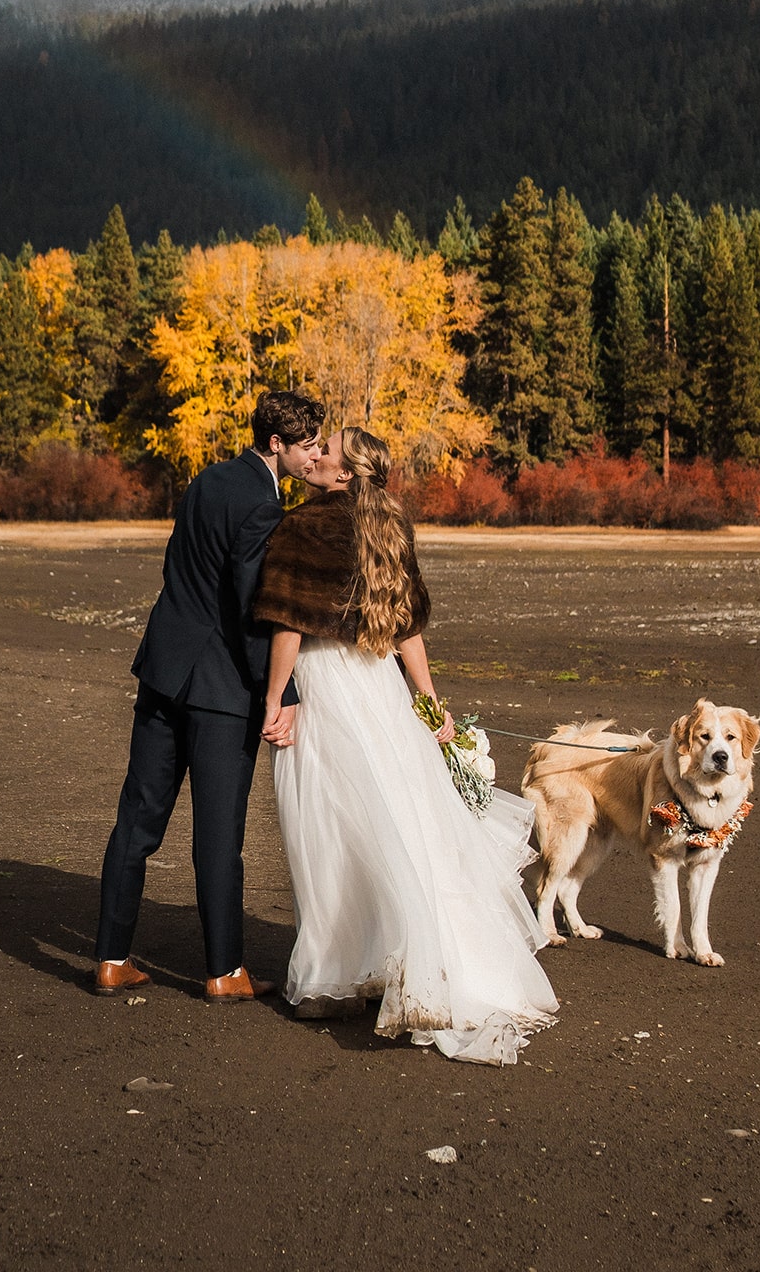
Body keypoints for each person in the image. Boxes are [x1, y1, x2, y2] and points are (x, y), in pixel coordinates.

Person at [254, 426, 558, 1063]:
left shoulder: (302, 528)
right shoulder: (389, 524)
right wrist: (425, 701)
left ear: (341, 474)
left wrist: (277, 697)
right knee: (403, 818)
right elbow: (407, 629)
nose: (313, 455)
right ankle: (401, 957)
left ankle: (337, 969)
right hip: (379, 688)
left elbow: (288, 623)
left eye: (325, 451)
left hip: (328, 687)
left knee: (328, 829)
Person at [94, 390, 325, 1001]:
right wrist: (283, 692)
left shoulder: (204, 481)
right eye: (307, 446)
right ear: (276, 443)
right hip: (220, 692)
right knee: (218, 836)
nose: (315, 455)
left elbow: (178, 569)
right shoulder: (260, 505)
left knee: (137, 821)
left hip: (164, 670)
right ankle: (225, 971)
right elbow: (258, 612)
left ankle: (110, 958)